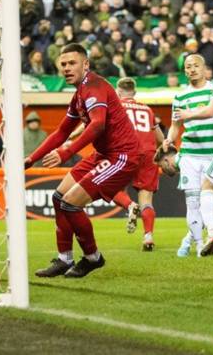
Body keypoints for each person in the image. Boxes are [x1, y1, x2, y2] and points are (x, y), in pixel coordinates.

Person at [25, 43, 140, 278]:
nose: (67, 68)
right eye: (63, 64)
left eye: (72, 63)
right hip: (103, 155)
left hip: (122, 156)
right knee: (59, 198)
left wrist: (66, 153)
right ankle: (64, 259)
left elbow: (97, 125)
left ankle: (92, 258)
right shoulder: (79, 95)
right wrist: (31, 158)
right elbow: (61, 132)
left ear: (85, 64)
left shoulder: (95, 87)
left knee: (70, 203)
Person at [163, 55, 213, 257]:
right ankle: (198, 245)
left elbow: (212, 111)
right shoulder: (180, 97)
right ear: (184, 71)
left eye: (196, 66)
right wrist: (169, 139)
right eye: (188, 67)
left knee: (211, 203)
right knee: (193, 202)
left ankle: (190, 240)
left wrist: (190, 114)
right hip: (190, 155)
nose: (192, 69)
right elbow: (176, 125)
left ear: (205, 69)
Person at [110, 78, 164, 251]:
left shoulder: (116, 107)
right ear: (134, 92)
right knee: (146, 199)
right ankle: (148, 236)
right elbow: (160, 138)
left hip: (125, 152)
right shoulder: (147, 110)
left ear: (118, 92)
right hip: (148, 154)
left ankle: (129, 205)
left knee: (109, 188)